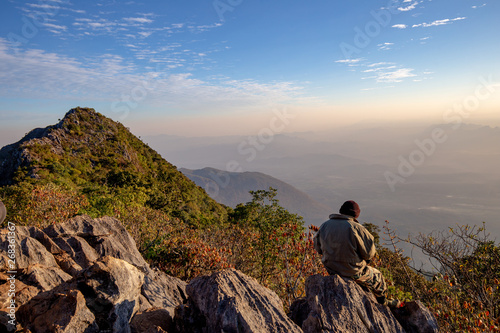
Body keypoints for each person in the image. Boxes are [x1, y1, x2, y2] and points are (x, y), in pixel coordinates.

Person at [313, 200, 401, 308]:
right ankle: (383, 301)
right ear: (356, 215)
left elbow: (318, 249)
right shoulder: (357, 228)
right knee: (377, 276)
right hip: (352, 271)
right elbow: (369, 254)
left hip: (331, 268)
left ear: (341, 211)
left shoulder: (324, 226)